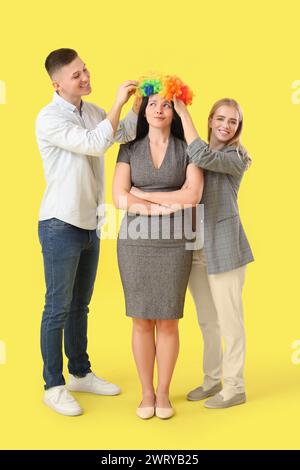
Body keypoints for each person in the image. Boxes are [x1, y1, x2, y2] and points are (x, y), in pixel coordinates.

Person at [36, 48, 139, 416]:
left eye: (85, 69)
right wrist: (117, 102)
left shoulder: (92, 112)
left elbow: (120, 133)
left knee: (81, 304)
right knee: (57, 307)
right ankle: (54, 384)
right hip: (59, 224)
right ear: (58, 83)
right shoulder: (49, 117)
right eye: (77, 74)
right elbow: (95, 142)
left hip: (91, 223)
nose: (85, 76)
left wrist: (138, 105)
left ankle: (80, 372)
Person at [112, 76, 203, 419]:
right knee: (140, 320)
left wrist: (145, 195)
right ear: (143, 110)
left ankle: (163, 393)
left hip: (176, 242)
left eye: (167, 103)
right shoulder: (129, 147)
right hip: (134, 244)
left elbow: (192, 196)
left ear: (176, 108)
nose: (159, 109)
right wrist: (166, 203)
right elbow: (119, 197)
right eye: (153, 103)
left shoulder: (188, 149)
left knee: (167, 321)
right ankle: (146, 393)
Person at [173, 97, 254, 408]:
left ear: (238, 127)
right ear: (210, 120)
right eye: (220, 118)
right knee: (208, 321)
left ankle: (235, 388)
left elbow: (201, 153)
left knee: (230, 321)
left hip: (225, 250)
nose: (225, 125)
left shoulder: (237, 156)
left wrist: (182, 111)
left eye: (232, 121)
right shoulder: (199, 154)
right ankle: (212, 380)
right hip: (196, 249)